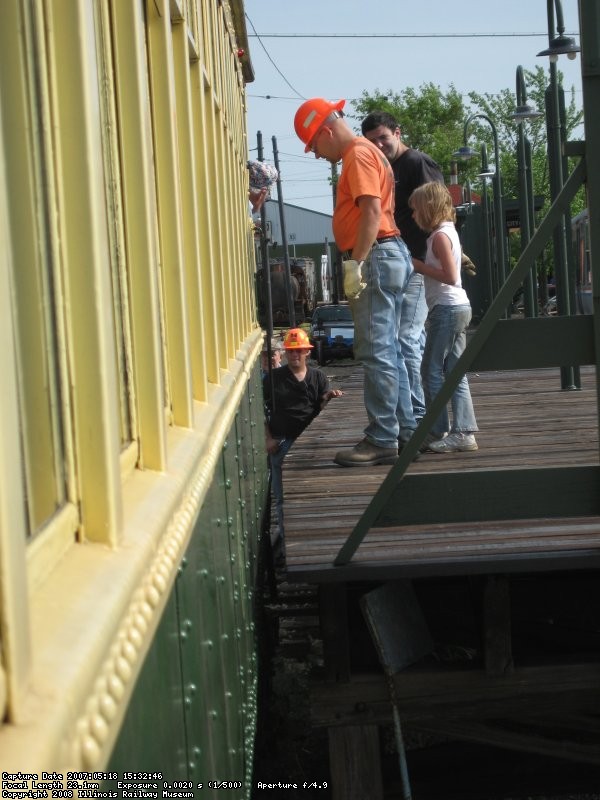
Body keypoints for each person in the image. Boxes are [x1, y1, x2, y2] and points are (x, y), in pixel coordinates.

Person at [294, 97, 417, 467]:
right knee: (391, 352)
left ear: (327, 131)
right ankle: (406, 431)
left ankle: (382, 438)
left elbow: (371, 210)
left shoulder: (357, 155)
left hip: (376, 255)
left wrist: (356, 263)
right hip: (388, 252)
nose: (317, 155)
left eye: (315, 146)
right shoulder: (368, 152)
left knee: (377, 352)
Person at [361, 111, 445, 424]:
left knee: (406, 338)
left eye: (383, 137)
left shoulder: (416, 163)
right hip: (404, 262)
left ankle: (419, 415)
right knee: (403, 339)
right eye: (372, 141)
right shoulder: (386, 166)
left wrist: (436, 256)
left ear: (398, 133)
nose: (379, 145)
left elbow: (438, 210)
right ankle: (414, 413)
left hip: (417, 263)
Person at [409, 182, 479, 452]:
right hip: (458, 308)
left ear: (428, 208)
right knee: (455, 373)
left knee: (430, 370)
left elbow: (451, 277)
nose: (413, 216)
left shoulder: (439, 236)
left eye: (415, 210)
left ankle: (439, 431)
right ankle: (464, 432)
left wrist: (418, 266)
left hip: (447, 308)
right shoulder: (450, 231)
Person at [263, 327, 343, 542]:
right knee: (282, 496)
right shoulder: (273, 378)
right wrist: (268, 438)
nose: (295, 355)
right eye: (291, 352)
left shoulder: (317, 377)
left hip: (310, 445)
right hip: (282, 442)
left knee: (313, 491)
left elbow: (322, 404)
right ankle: (286, 536)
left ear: (307, 352)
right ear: (286, 354)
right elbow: (261, 410)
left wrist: (330, 397)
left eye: (299, 351)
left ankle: (314, 531)